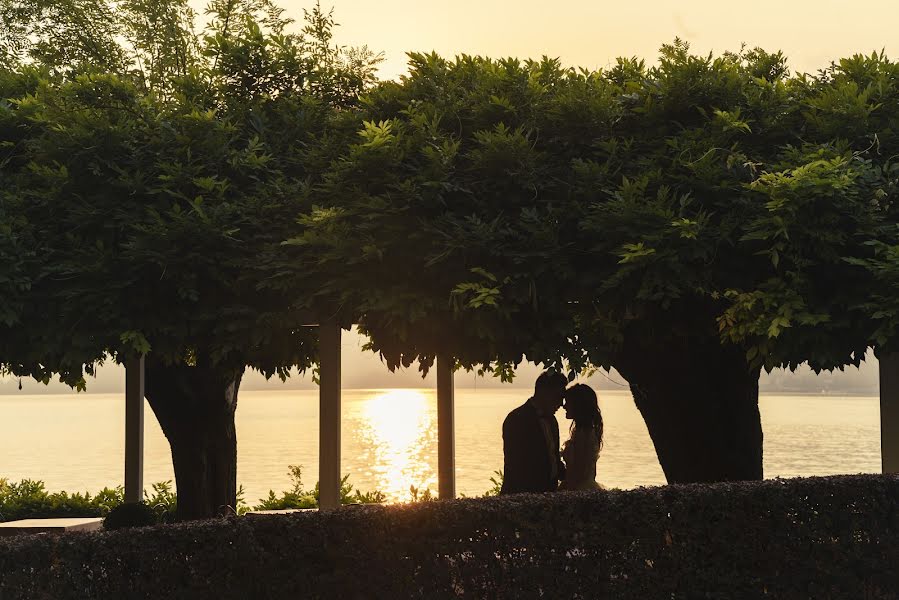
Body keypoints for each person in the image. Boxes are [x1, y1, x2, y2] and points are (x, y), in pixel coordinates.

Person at [500, 370, 568, 494]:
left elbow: (554, 459)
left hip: (549, 496)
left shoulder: (552, 421)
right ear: (544, 393)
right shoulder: (516, 419)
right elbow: (515, 464)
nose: (561, 404)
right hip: (521, 497)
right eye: (558, 397)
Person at [559, 383, 603, 491]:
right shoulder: (582, 431)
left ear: (578, 405)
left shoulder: (584, 433)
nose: (564, 406)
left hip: (580, 489)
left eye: (567, 402)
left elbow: (579, 471)